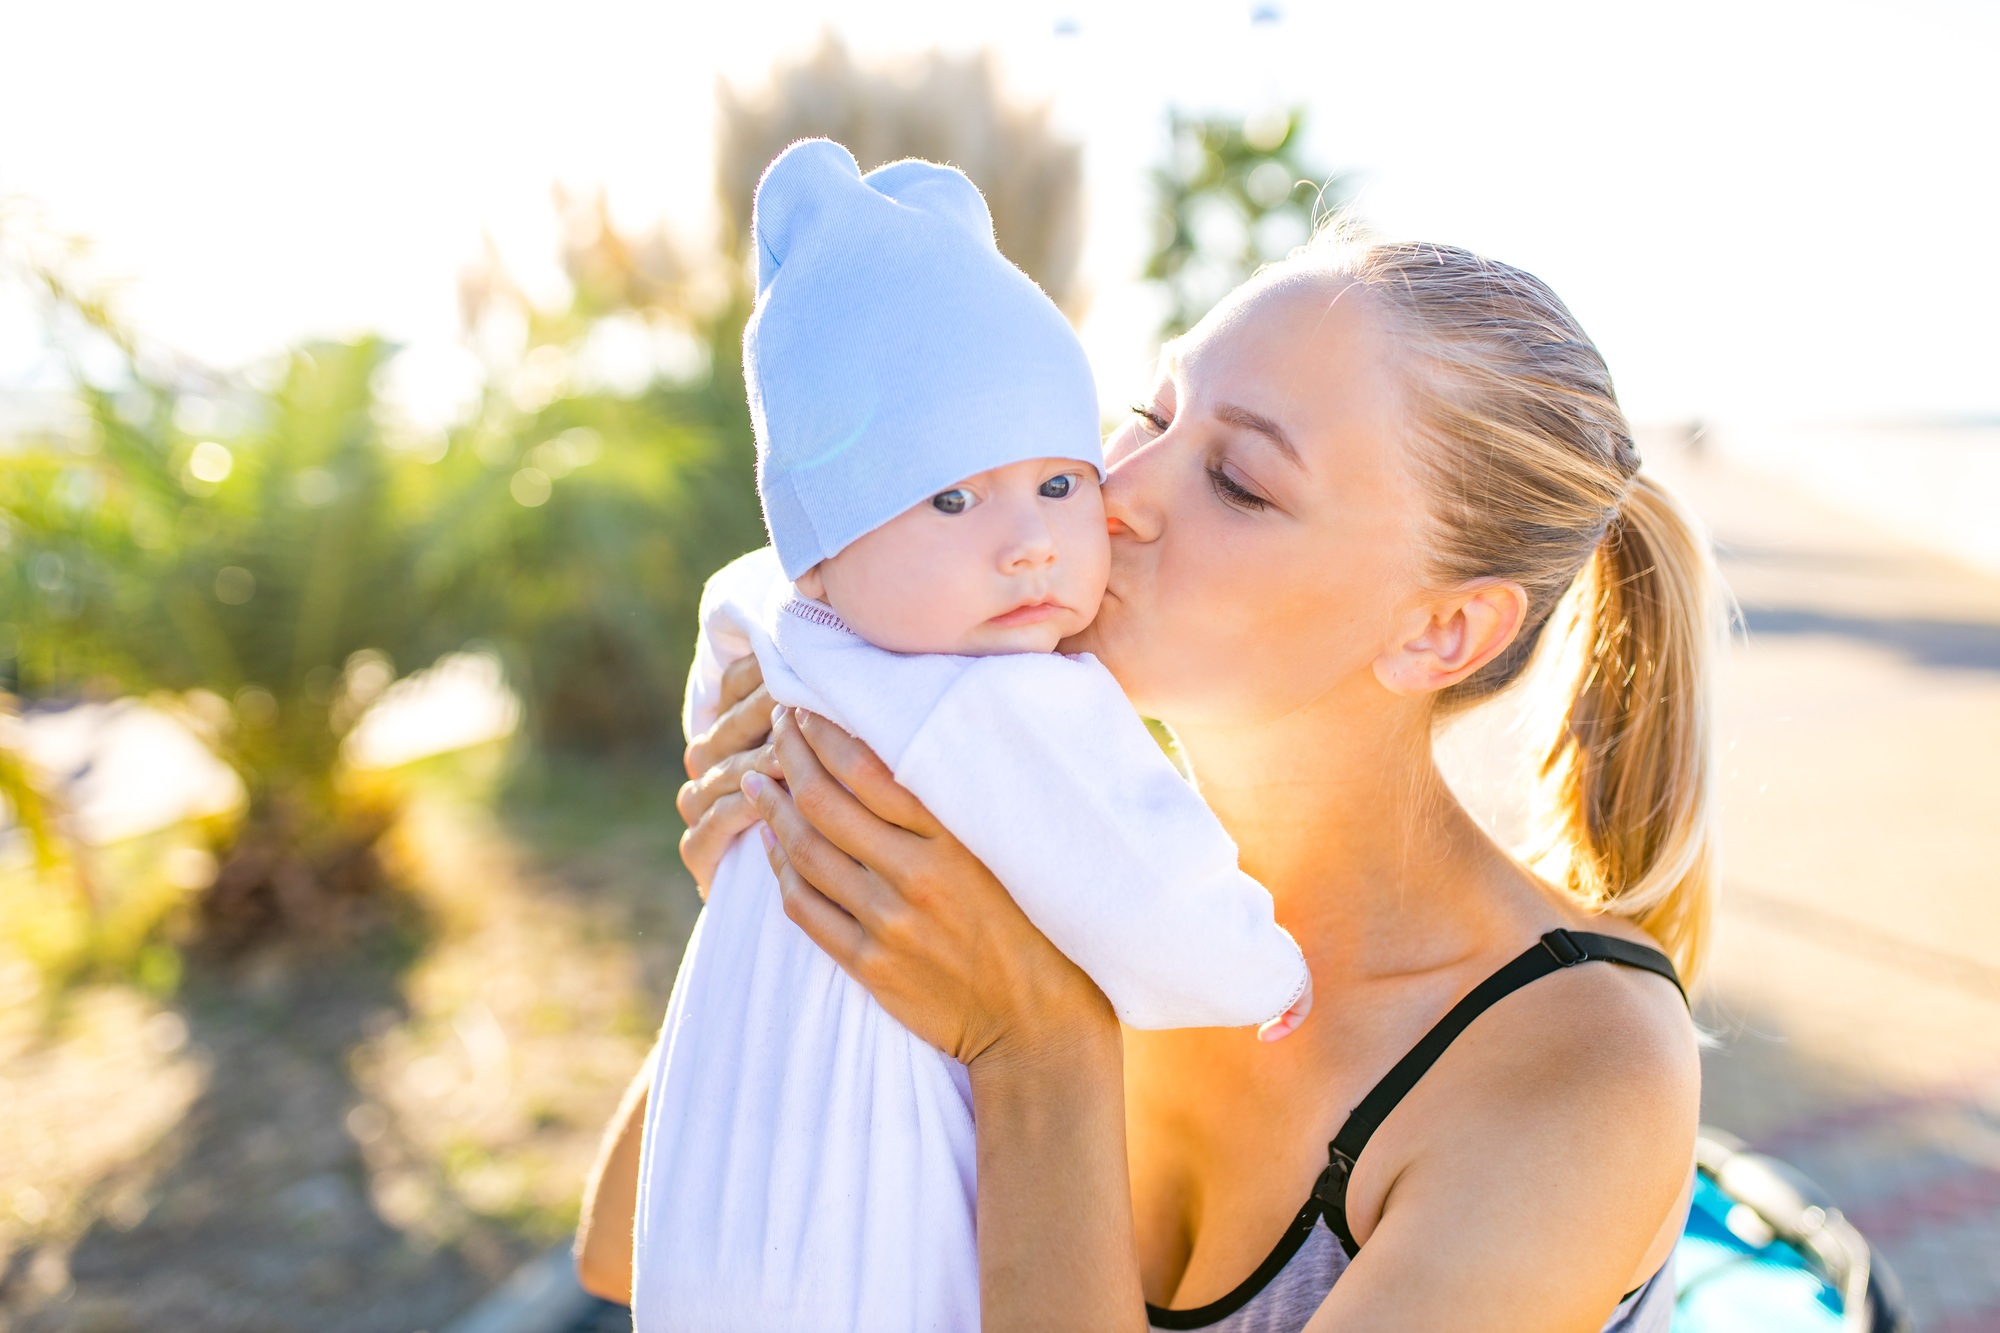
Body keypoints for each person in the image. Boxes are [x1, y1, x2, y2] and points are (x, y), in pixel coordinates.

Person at [579, 226, 1716, 1332]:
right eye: (1149, 414)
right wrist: (786, 871)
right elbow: (625, 1247)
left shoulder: (1578, 1070)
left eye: (1235, 479)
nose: (1114, 490)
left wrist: (1037, 1048)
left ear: (1442, 631)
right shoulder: (1022, 860)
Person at [632, 139, 1308, 1333]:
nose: (1030, 544)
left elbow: (720, 644)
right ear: (825, 548)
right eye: (950, 497)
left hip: (700, 1215)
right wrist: (1255, 968)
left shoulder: (775, 624)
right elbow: (1140, 875)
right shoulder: (995, 700)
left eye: (1057, 482)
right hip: (871, 1235)